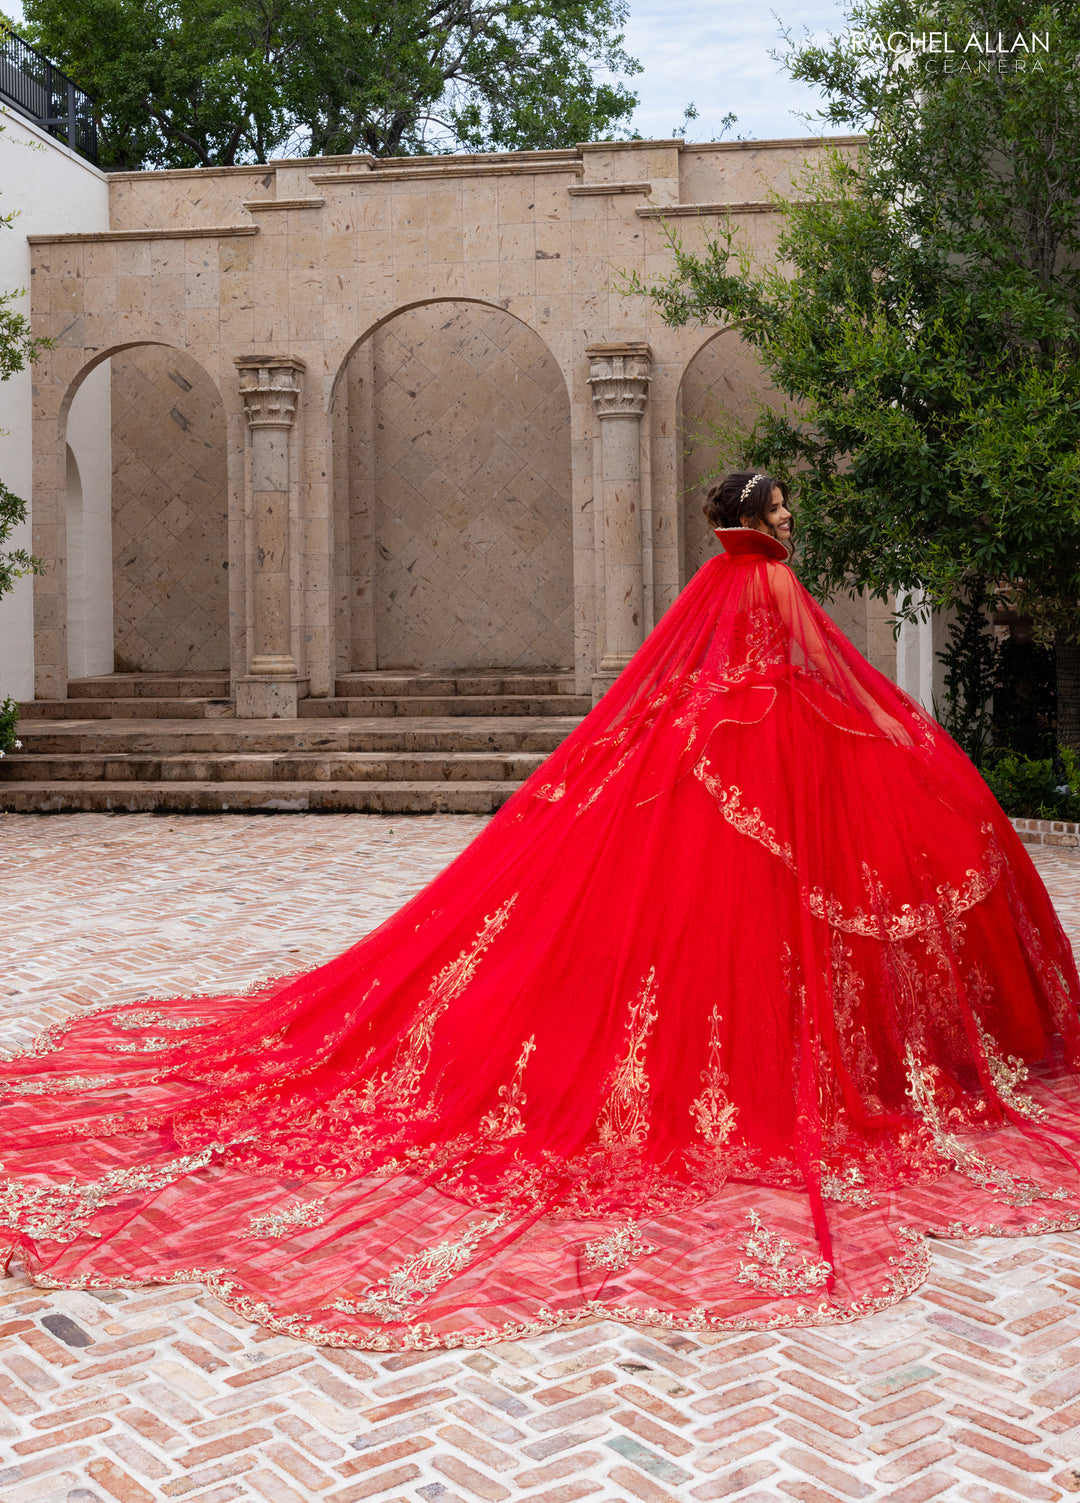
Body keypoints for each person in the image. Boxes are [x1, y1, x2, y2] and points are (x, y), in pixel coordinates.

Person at [3, 471, 1080, 1353]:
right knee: (745, 940)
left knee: (679, 945)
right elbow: (796, 682)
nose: (791, 523)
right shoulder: (767, 586)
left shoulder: (711, 590)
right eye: (782, 511)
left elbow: (700, 686)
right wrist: (888, 744)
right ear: (750, 523)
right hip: (761, 788)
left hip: (721, 785)